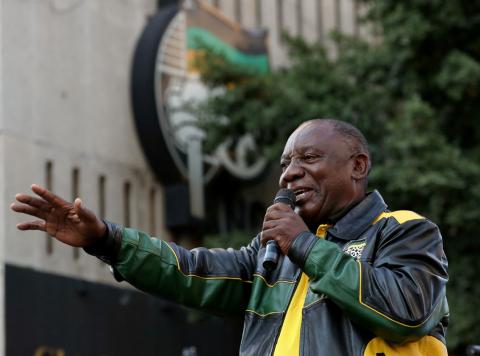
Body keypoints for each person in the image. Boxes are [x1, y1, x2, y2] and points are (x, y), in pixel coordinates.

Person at [11, 119, 449, 355]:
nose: (290, 172)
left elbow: (405, 310)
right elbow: (192, 271)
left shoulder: (403, 229)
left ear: (357, 166)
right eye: (285, 163)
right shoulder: (273, 253)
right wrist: (106, 239)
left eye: (308, 158)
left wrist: (304, 245)